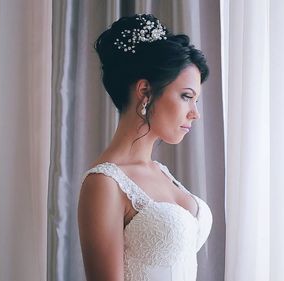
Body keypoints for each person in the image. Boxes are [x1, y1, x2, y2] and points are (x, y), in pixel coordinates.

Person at [77, 14, 212, 281]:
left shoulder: (161, 172)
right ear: (145, 91)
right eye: (187, 97)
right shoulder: (104, 183)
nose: (194, 113)